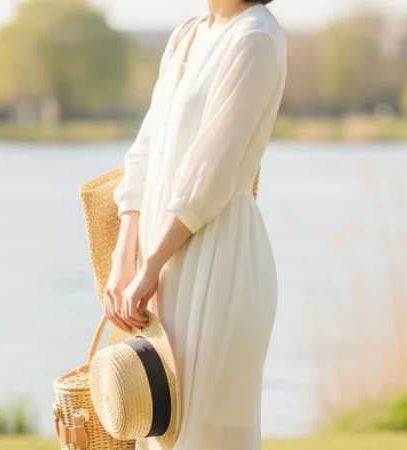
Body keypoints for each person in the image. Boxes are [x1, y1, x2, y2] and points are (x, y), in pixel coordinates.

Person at [104, 0, 286, 448]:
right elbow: (145, 152)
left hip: (217, 255)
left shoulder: (256, 38)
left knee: (205, 433)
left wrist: (150, 267)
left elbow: (212, 175)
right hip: (158, 259)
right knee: (160, 429)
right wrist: (124, 256)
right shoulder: (186, 34)